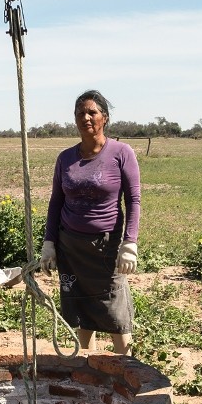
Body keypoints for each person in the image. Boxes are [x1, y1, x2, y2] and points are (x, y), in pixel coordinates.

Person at [39, 90, 141, 355]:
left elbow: (134, 200)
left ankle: (125, 372)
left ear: (104, 118)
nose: (85, 117)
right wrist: (49, 243)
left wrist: (129, 243)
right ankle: (88, 368)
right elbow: (55, 202)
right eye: (80, 113)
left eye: (92, 112)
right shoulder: (65, 158)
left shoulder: (121, 152)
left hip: (106, 247)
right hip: (70, 247)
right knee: (81, 312)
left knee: (116, 312)